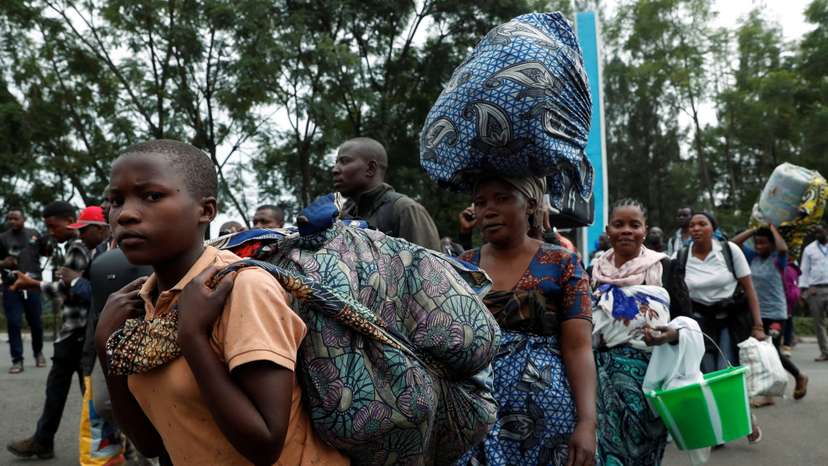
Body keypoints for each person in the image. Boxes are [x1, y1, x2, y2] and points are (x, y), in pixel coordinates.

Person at [95, 139, 347, 465]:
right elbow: (150, 444)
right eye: (115, 201)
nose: (125, 214)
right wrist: (107, 347)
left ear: (206, 210)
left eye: (152, 196)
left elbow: (265, 446)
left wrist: (192, 338)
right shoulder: (141, 301)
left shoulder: (242, 288)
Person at [456, 176, 597, 466]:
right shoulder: (462, 267)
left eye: (503, 198)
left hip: (547, 416)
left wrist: (587, 422)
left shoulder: (562, 263)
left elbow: (578, 348)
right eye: (480, 203)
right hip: (475, 413)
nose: (489, 210)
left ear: (530, 205)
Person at [590, 199, 690, 466]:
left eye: (634, 225)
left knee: (644, 451)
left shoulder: (665, 268)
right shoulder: (593, 272)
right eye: (619, 224)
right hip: (600, 379)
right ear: (608, 230)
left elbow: (688, 323)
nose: (626, 230)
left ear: (644, 230)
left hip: (651, 377)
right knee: (606, 451)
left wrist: (668, 334)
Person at [6, 201, 101, 460]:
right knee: (68, 390)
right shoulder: (77, 247)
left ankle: (93, 446)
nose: (50, 231)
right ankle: (45, 440)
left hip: (77, 332)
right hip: (77, 331)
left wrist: (32, 283)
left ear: (71, 220)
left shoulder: (77, 248)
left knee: (79, 392)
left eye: (53, 225)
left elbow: (69, 288)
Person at [678, 212, 765, 443]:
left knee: (726, 371)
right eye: (692, 225)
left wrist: (758, 325)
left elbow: (750, 289)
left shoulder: (729, 251)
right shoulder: (682, 255)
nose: (696, 228)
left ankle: (746, 419)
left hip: (728, 319)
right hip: (699, 323)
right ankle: (717, 429)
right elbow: (676, 292)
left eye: (702, 224)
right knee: (706, 374)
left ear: (713, 228)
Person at [732, 225, 808, 400]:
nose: (759, 246)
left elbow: (783, 248)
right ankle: (768, 393)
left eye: (764, 243)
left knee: (771, 349)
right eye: (757, 243)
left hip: (776, 313)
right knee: (756, 351)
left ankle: (799, 376)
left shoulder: (778, 259)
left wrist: (772, 228)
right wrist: (753, 229)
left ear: (771, 245)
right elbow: (734, 244)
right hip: (756, 313)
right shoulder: (752, 258)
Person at [333, 137, 440, 250]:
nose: (335, 169)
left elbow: (429, 266)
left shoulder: (405, 210)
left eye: (344, 161)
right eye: (336, 163)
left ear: (370, 168)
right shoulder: (344, 216)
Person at [0, 208, 50, 373]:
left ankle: (38, 353)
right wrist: (3, 263)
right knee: (14, 322)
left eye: (15, 218)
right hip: (11, 285)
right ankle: (17, 360)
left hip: (32, 284)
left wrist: (50, 240)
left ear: (24, 219)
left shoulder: (34, 233)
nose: (12, 221)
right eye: (10, 219)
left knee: (35, 322)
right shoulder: (3, 238)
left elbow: (46, 251)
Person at [799, 224, 828, 361]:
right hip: (816, 289)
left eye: (820, 231)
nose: (817, 235)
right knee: (819, 322)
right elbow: (804, 270)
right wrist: (804, 290)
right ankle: (825, 352)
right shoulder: (809, 249)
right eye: (815, 233)